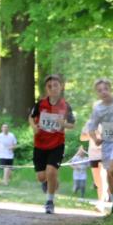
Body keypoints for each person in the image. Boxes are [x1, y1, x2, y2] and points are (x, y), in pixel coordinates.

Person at [29, 74, 76, 214]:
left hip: (57, 143)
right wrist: (34, 127)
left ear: (61, 87)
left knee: (51, 171)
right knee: (41, 177)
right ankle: (50, 181)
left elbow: (72, 125)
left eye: (56, 85)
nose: (53, 88)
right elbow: (31, 118)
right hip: (40, 144)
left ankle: (49, 202)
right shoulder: (40, 104)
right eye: (50, 86)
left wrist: (64, 124)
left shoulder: (66, 106)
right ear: (46, 89)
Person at [84, 78, 113, 214]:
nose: (103, 92)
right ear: (97, 94)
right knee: (108, 176)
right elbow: (91, 127)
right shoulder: (98, 108)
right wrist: (96, 139)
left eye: (105, 89)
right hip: (107, 143)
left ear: (110, 89)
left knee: (112, 170)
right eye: (99, 90)